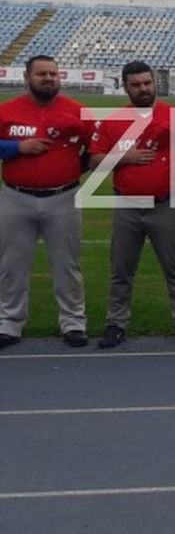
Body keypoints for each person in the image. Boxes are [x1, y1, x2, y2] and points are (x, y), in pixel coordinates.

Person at [89, 61, 175, 348]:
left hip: (167, 204)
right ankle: (116, 323)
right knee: (121, 269)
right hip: (128, 205)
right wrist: (126, 157)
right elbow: (93, 161)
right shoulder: (115, 120)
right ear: (125, 87)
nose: (143, 89)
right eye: (136, 84)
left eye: (147, 83)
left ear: (155, 83)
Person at [0, 55, 94, 349]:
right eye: (42, 74)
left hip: (63, 198)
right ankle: (9, 323)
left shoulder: (77, 111)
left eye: (53, 74)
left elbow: (97, 148)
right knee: (11, 265)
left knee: (67, 265)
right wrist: (17, 147)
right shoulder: (7, 111)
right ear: (27, 77)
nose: (49, 79)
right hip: (16, 197)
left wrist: (69, 170)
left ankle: (73, 322)